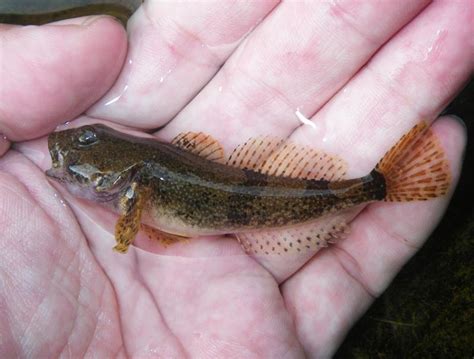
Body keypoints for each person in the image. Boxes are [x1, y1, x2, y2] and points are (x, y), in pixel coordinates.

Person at [0, 1, 470, 357]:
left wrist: (129, 233)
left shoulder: (134, 187)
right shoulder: (136, 173)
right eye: (78, 154)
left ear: (124, 185)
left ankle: (379, 185)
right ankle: (378, 186)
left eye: (80, 151)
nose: (64, 154)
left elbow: (134, 228)